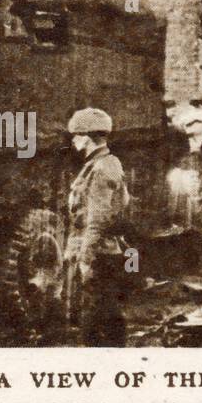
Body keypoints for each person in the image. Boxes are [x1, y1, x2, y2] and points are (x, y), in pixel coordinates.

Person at [64, 107, 131, 346]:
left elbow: (97, 220)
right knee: (103, 312)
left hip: (99, 254)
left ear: (87, 137)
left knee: (95, 317)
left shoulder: (103, 167)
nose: (73, 140)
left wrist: (85, 258)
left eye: (76, 135)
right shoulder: (99, 164)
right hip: (100, 251)